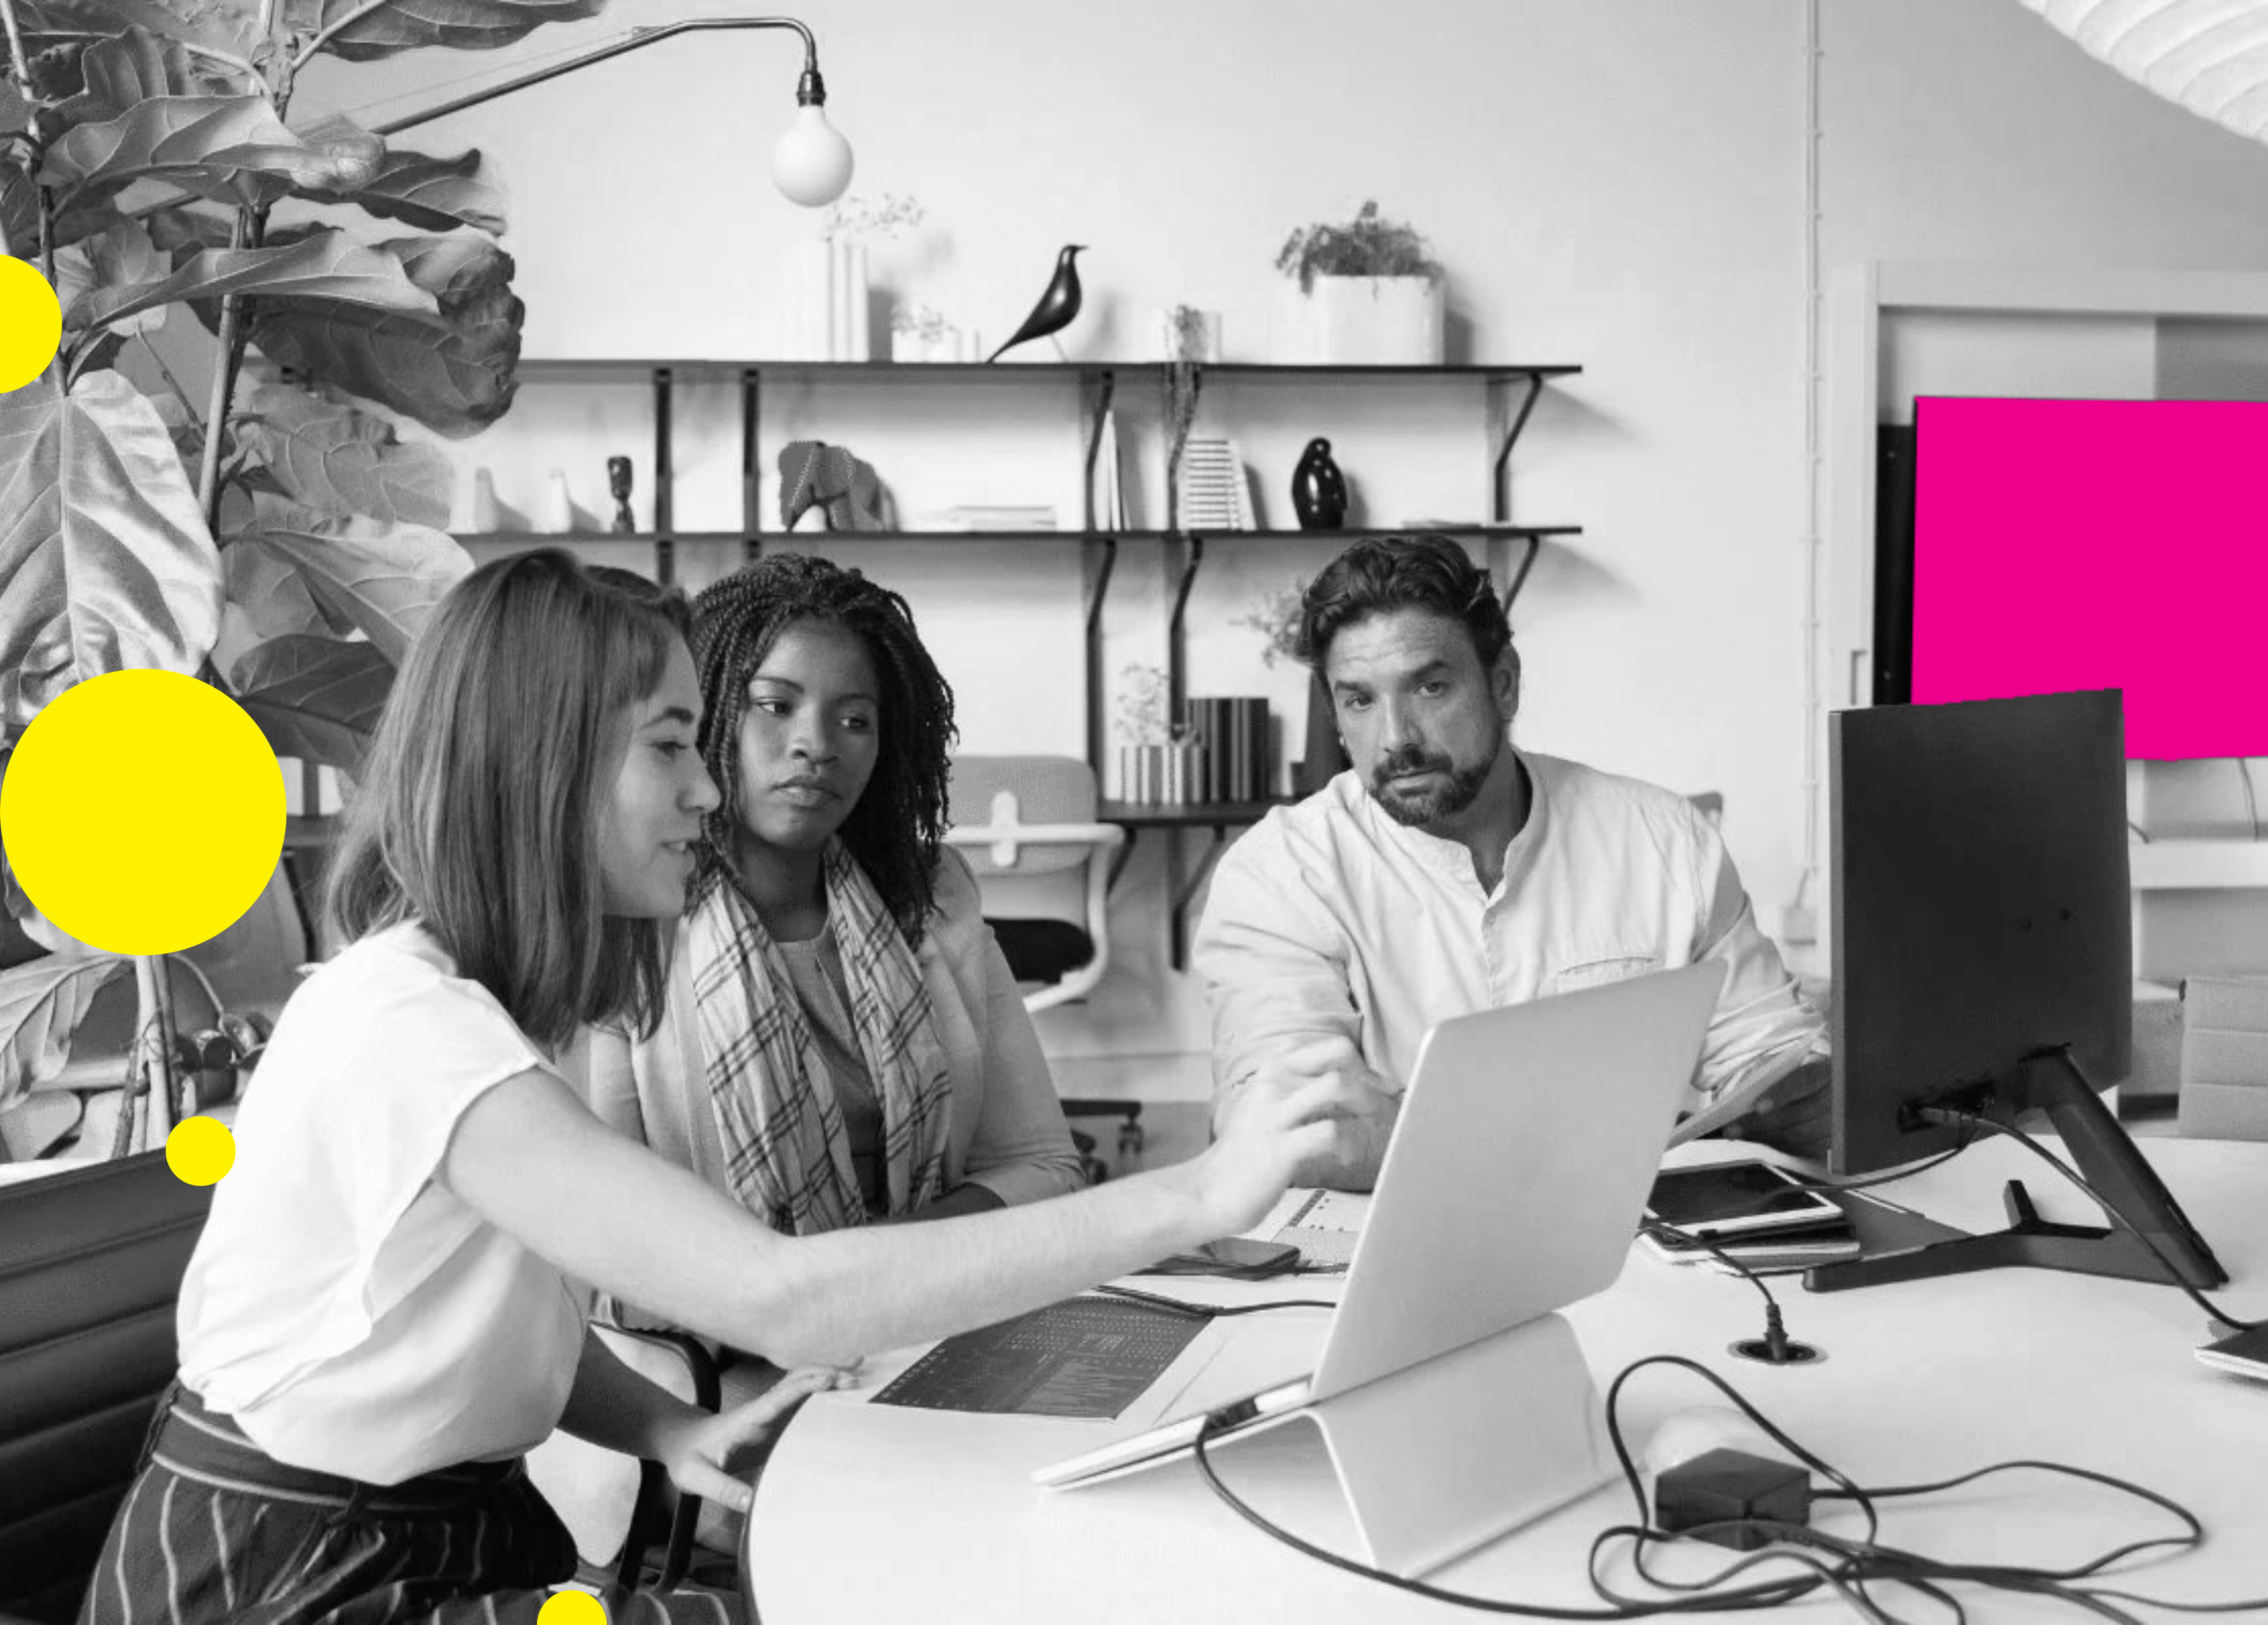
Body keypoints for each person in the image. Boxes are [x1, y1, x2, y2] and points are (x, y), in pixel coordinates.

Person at [81, 551, 1337, 1625]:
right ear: (543, 766)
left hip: (439, 1532)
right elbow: (779, 1294)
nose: (706, 787)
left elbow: (489, 1314)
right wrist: (1198, 1193)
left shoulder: (484, 1001)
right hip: (289, 1579)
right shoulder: (407, 1025)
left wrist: (664, 1431)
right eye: (676, 744)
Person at [1193, 533, 1829, 1193]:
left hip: (1637, 1246)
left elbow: (1776, 1058)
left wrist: (1812, 1092)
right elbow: (1288, 1131)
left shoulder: (1664, 842)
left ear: (1504, 684)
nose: (1397, 738)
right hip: (1388, 1255)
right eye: (1360, 700)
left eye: (1431, 687)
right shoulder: (1278, 876)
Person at [576, 554, 1083, 1283]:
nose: (817, 744)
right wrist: (812, 1295)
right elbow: (604, 1245)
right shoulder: (631, 919)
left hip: (928, 1312)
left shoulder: (932, 896)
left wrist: (865, 1271)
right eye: (775, 706)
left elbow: (1041, 1164)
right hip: (716, 1362)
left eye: (855, 720)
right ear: (709, 710)